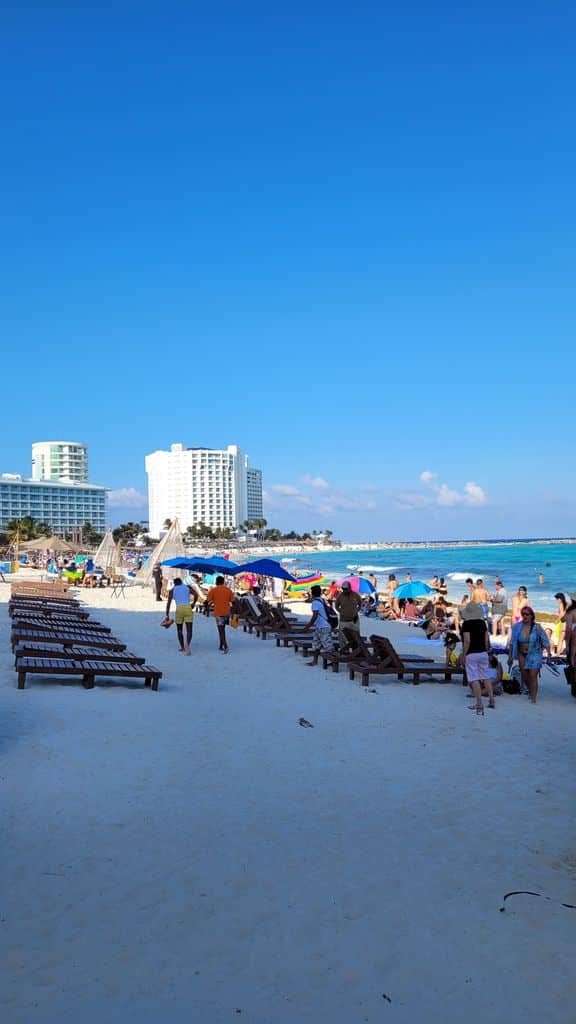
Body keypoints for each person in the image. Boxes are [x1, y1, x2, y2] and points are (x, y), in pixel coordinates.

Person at [508, 606, 550, 703]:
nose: (525, 616)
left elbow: (545, 641)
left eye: (527, 614)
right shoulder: (517, 626)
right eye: (523, 614)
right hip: (521, 653)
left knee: (533, 675)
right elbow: (512, 642)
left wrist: (549, 654)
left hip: (534, 654)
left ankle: (533, 698)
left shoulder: (537, 627)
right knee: (524, 674)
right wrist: (510, 656)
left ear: (532, 615)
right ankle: (531, 690)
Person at [461, 602, 494, 715]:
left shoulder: (466, 624)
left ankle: (479, 703)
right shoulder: (482, 623)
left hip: (471, 653)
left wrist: (464, 654)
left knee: (474, 678)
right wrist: (486, 651)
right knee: (485, 676)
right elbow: (486, 639)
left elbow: (467, 641)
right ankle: (491, 699)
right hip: (483, 652)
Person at [304, 584, 336, 665]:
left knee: (326, 646)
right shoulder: (322, 600)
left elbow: (314, 616)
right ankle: (315, 661)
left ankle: (334, 661)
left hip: (323, 626)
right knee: (317, 645)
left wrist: (308, 626)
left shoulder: (315, 602)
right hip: (322, 626)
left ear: (313, 593)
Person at [165, 577, 197, 655]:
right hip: (188, 607)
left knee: (179, 629)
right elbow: (196, 595)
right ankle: (187, 645)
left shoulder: (172, 590)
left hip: (179, 609)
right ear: (181, 582)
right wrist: (193, 603)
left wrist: (167, 615)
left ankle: (182, 647)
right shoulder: (187, 587)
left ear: (175, 583)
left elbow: (168, 603)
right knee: (189, 629)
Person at [206, 575, 236, 653]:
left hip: (218, 613)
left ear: (216, 582)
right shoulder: (228, 590)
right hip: (226, 612)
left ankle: (225, 646)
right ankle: (221, 645)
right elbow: (233, 601)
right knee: (223, 629)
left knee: (220, 630)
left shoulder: (213, 590)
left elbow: (207, 600)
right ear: (223, 582)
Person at [335, 580, 362, 645]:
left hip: (354, 620)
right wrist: (342, 612)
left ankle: (356, 650)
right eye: (343, 589)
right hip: (343, 620)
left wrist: (356, 610)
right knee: (342, 637)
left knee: (356, 636)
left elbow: (360, 603)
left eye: (346, 589)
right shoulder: (340, 596)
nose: (344, 590)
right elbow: (336, 606)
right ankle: (344, 651)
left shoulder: (355, 595)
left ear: (350, 588)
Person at [562, 593, 576, 698]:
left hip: (573, 641)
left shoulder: (571, 612)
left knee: (573, 664)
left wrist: (566, 646)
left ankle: (574, 689)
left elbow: (568, 630)